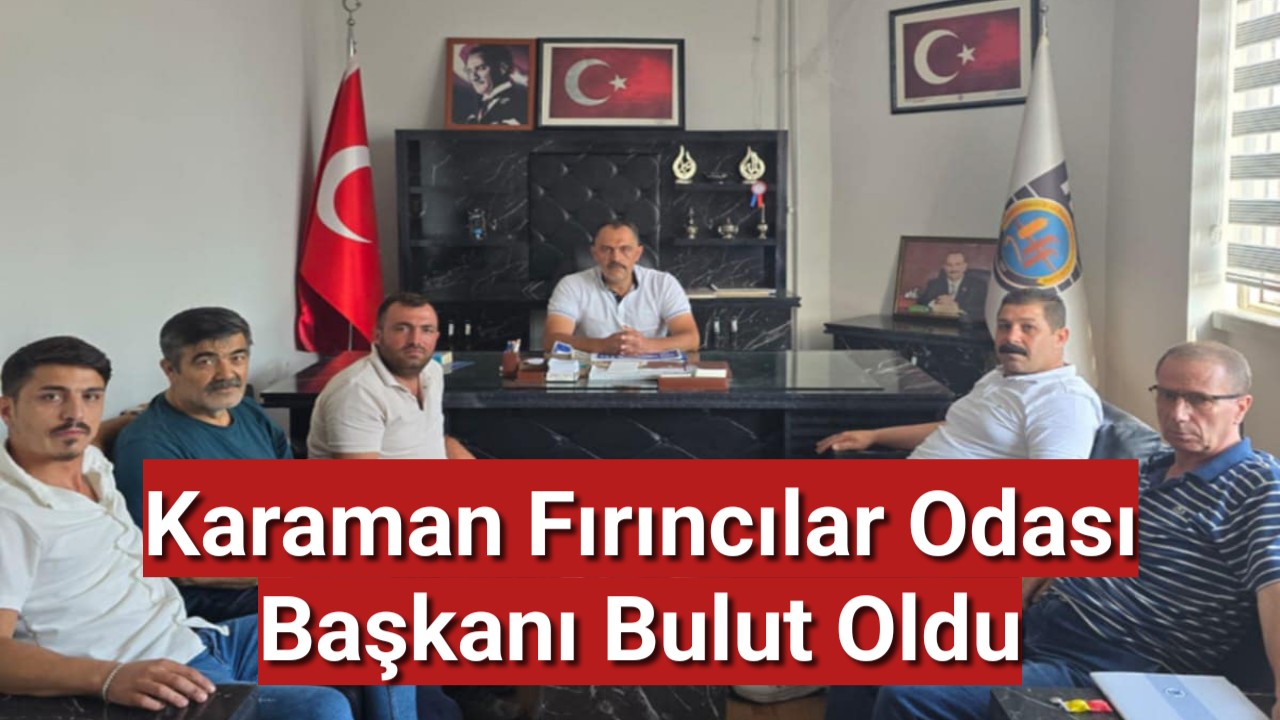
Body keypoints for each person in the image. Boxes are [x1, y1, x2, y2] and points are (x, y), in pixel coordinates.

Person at [824, 341, 1280, 720]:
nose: (1177, 414)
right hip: (1040, 627)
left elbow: (1275, 587)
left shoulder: (1258, 486)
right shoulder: (1147, 469)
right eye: (1167, 395)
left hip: (1113, 665)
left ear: (1240, 406)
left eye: (1199, 400)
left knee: (913, 693)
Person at [0, 336, 417, 719]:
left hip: (197, 636)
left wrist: (130, 418)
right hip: (151, 674)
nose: (75, 414)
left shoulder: (90, 464)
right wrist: (107, 678)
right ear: (7, 410)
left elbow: (87, 431)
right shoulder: (11, 513)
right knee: (322, 708)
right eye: (51, 397)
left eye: (90, 397)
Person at [112, 307, 285, 622]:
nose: (226, 374)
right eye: (206, 361)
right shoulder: (151, 445)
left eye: (237, 357)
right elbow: (187, 569)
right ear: (170, 369)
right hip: (215, 596)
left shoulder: (248, 412)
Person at [817, 288, 1102, 459]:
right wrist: (875, 436)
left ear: (1060, 337)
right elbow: (958, 429)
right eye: (1004, 326)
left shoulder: (1063, 402)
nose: (1011, 337)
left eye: (1028, 328)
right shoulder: (1002, 376)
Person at [308, 292, 475, 460]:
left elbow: (434, 441)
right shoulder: (357, 391)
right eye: (402, 329)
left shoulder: (432, 371)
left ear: (436, 337)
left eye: (426, 330)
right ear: (378, 336)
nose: (415, 340)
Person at [543, 220, 700, 355]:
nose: (616, 258)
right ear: (594, 254)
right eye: (606, 249)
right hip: (591, 375)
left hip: (650, 373)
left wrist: (646, 345)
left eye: (625, 249)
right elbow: (552, 340)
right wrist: (602, 345)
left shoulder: (663, 283)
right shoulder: (571, 285)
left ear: (638, 254)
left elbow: (691, 339)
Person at [456, 44, 529, 126]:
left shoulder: (521, 101)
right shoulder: (479, 105)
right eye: (469, 71)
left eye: (481, 68)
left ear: (502, 68)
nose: (473, 77)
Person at [915, 251, 987, 318]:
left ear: (965, 266)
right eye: (949, 265)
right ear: (944, 267)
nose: (953, 269)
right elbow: (921, 303)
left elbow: (981, 309)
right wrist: (937, 301)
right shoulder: (934, 284)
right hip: (939, 323)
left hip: (965, 324)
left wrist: (956, 306)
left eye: (958, 264)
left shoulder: (978, 285)